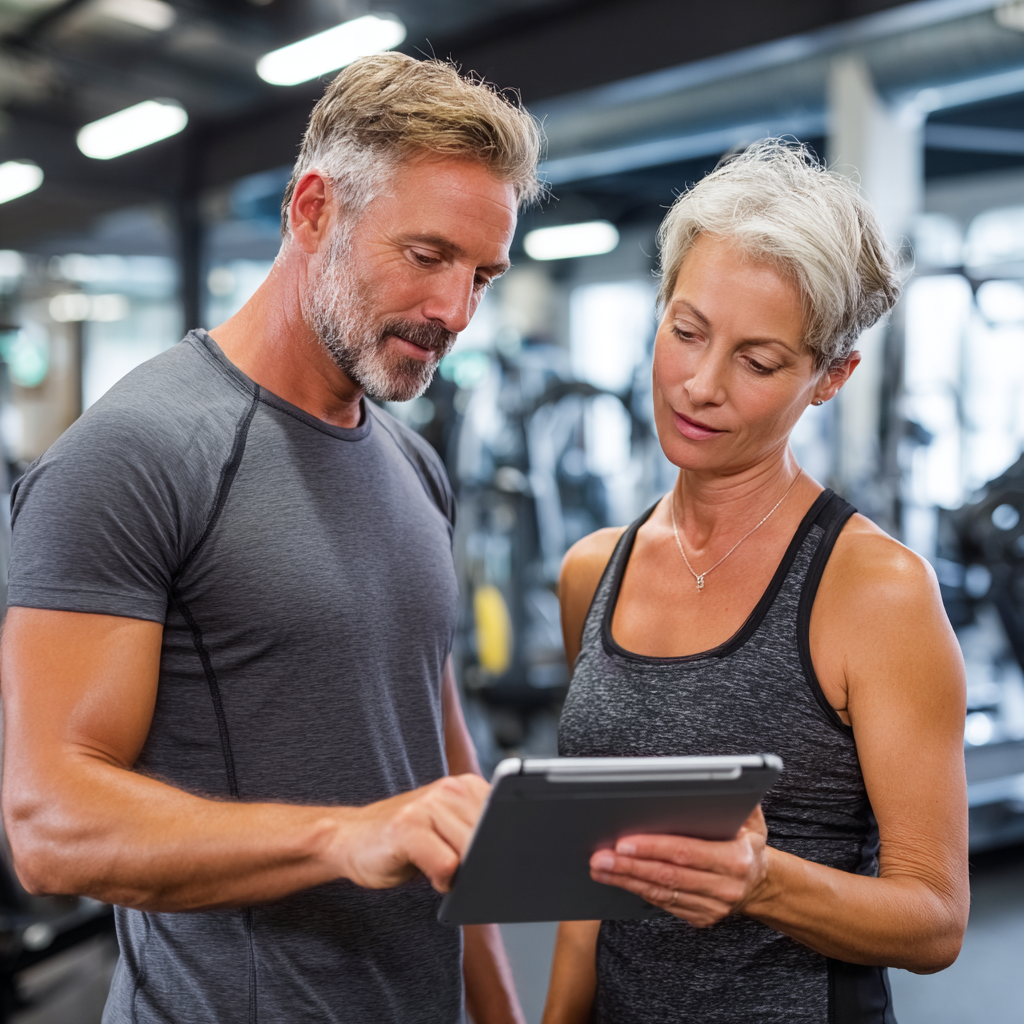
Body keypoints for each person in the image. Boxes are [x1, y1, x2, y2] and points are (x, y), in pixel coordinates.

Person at [1, 53, 541, 1024]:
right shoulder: (135, 453)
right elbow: (48, 825)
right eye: (425, 256)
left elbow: (448, 783)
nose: (454, 311)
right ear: (311, 211)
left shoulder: (411, 465)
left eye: (482, 275)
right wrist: (342, 837)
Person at [543, 141, 969, 1024]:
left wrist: (761, 882)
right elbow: (592, 887)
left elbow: (934, 920)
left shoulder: (877, 593)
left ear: (829, 378)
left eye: (758, 361)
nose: (699, 386)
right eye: (686, 332)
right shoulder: (593, 573)